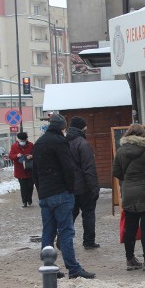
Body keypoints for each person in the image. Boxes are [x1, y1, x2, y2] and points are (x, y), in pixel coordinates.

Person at [33, 114, 95, 279]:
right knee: (66, 232)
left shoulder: (39, 143)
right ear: (62, 127)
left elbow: (35, 172)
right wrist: (70, 188)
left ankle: (49, 266)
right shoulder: (60, 142)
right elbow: (69, 168)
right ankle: (73, 268)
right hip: (61, 193)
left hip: (45, 194)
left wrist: (41, 191)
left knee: (48, 232)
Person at [112, 124, 145, 271]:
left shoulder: (120, 151)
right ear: (143, 135)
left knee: (130, 228)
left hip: (128, 193)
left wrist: (127, 180)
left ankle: (130, 259)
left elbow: (116, 172)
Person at [66, 116, 101, 250]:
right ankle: (89, 241)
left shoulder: (64, 142)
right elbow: (89, 168)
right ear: (82, 128)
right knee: (88, 214)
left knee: (70, 215)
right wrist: (94, 188)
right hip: (84, 187)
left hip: (69, 187)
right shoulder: (83, 144)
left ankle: (64, 238)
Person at [9, 132, 35, 207]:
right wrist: (17, 155)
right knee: (23, 186)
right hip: (20, 170)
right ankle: (24, 201)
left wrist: (31, 156)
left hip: (29, 169)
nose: (22, 142)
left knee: (30, 185)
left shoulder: (31, 145)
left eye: (24, 140)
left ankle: (29, 198)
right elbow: (11, 156)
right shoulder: (14, 146)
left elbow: (35, 153)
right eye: (21, 140)